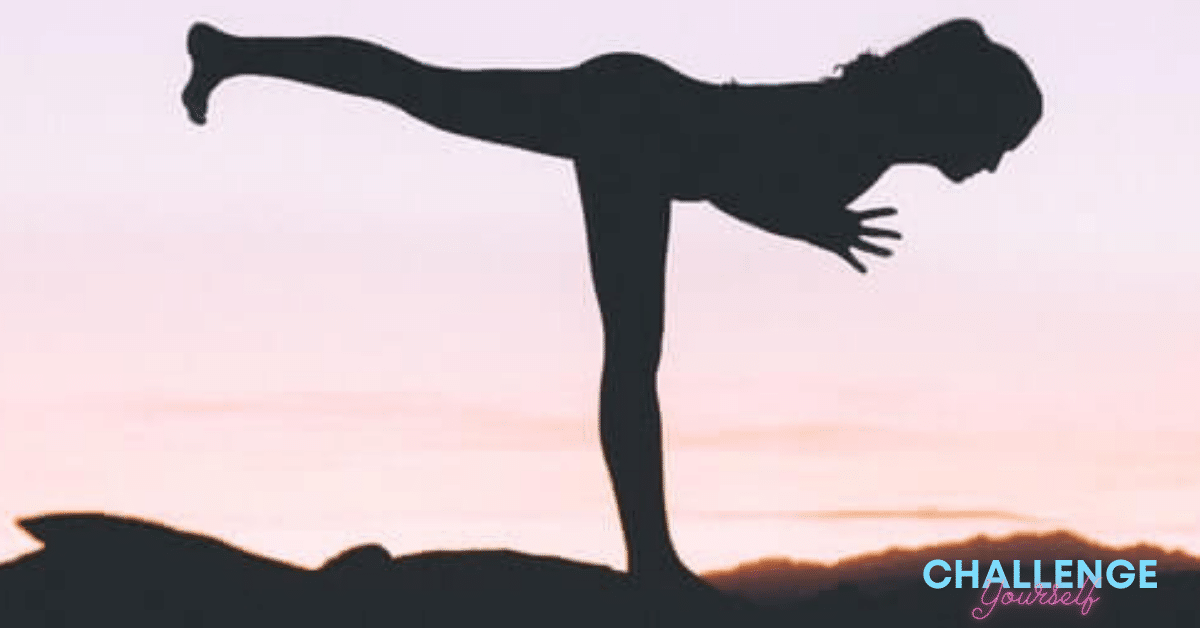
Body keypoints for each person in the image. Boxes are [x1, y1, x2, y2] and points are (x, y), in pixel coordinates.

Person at [182, 17, 1042, 591]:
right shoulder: (861, 137)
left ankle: (229, 53)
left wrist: (810, 223)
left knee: (425, 89)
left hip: (639, 113)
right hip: (635, 129)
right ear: (959, 115)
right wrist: (813, 225)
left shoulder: (870, 131)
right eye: (999, 143)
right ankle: (653, 563)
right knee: (633, 352)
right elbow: (736, 177)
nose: (995, 166)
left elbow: (751, 172)